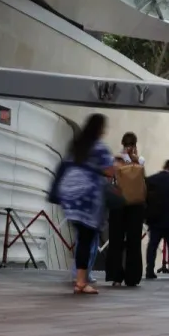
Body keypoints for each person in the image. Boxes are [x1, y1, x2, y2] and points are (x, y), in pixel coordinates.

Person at [55, 113, 114, 295]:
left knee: (82, 239)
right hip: (88, 200)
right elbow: (110, 172)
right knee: (87, 240)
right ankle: (81, 281)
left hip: (70, 198)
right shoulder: (100, 148)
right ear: (100, 129)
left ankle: (79, 277)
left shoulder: (76, 146)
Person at [106, 131, 145, 288]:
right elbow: (143, 181)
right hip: (135, 205)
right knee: (134, 241)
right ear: (135, 145)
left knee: (116, 240)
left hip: (118, 204)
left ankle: (116, 276)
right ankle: (133, 277)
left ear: (122, 144)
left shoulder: (115, 160)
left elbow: (109, 179)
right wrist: (135, 161)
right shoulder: (140, 161)